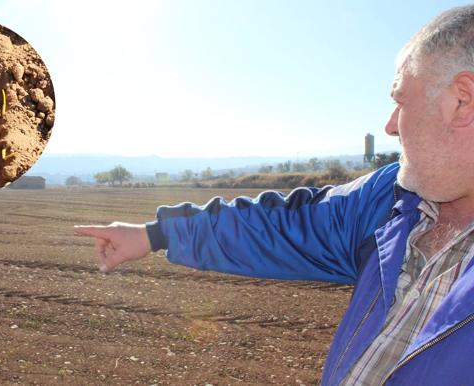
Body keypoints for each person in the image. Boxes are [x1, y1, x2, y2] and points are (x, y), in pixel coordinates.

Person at [74, 6, 474, 385]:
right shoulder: (387, 203)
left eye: (400, 100)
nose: (389, 126)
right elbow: (281, 225)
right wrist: (154, 234)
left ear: (461, 101)